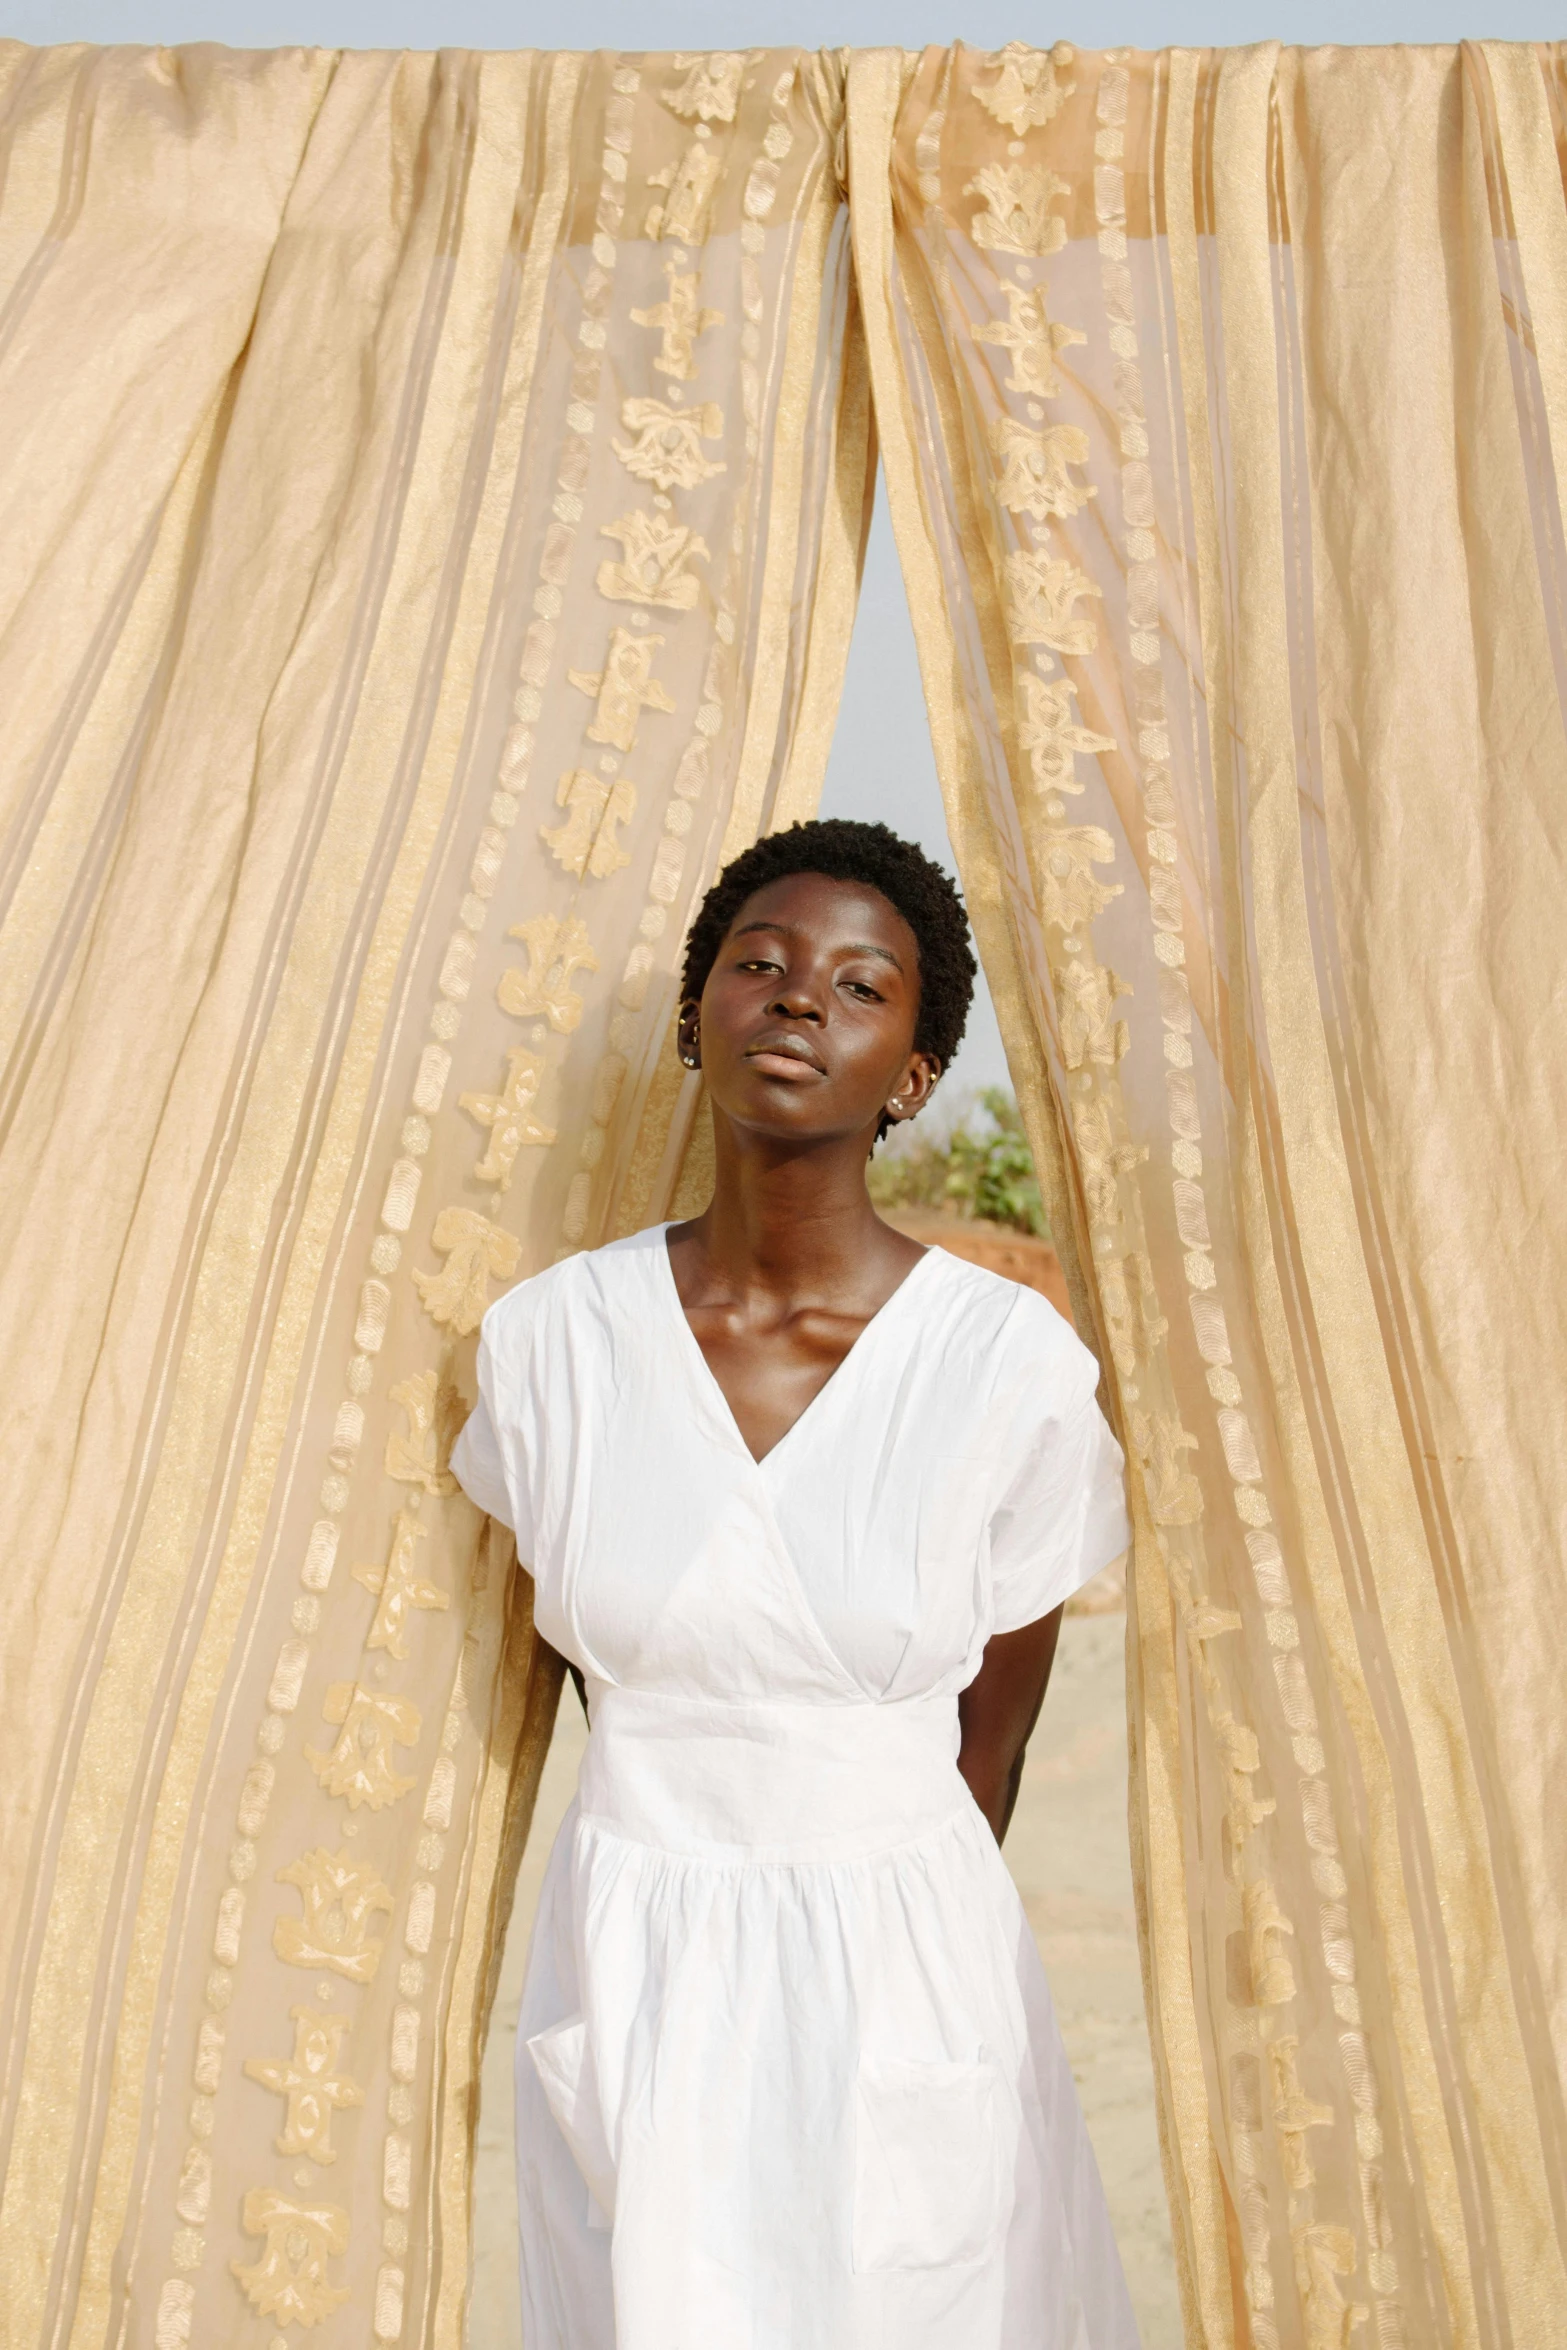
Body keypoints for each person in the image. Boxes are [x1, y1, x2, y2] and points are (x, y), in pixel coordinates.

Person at [451, 818, 1140, 2349]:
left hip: (903, 1958)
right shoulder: (548, 1347)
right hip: (636, 1952)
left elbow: (992, 1737)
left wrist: (859, 1902)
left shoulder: (1002, 1368)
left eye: (857, 981)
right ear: (697, 1016)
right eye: (756, 964)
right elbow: (619, 1666)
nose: (797, 998)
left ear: (910, 1069)